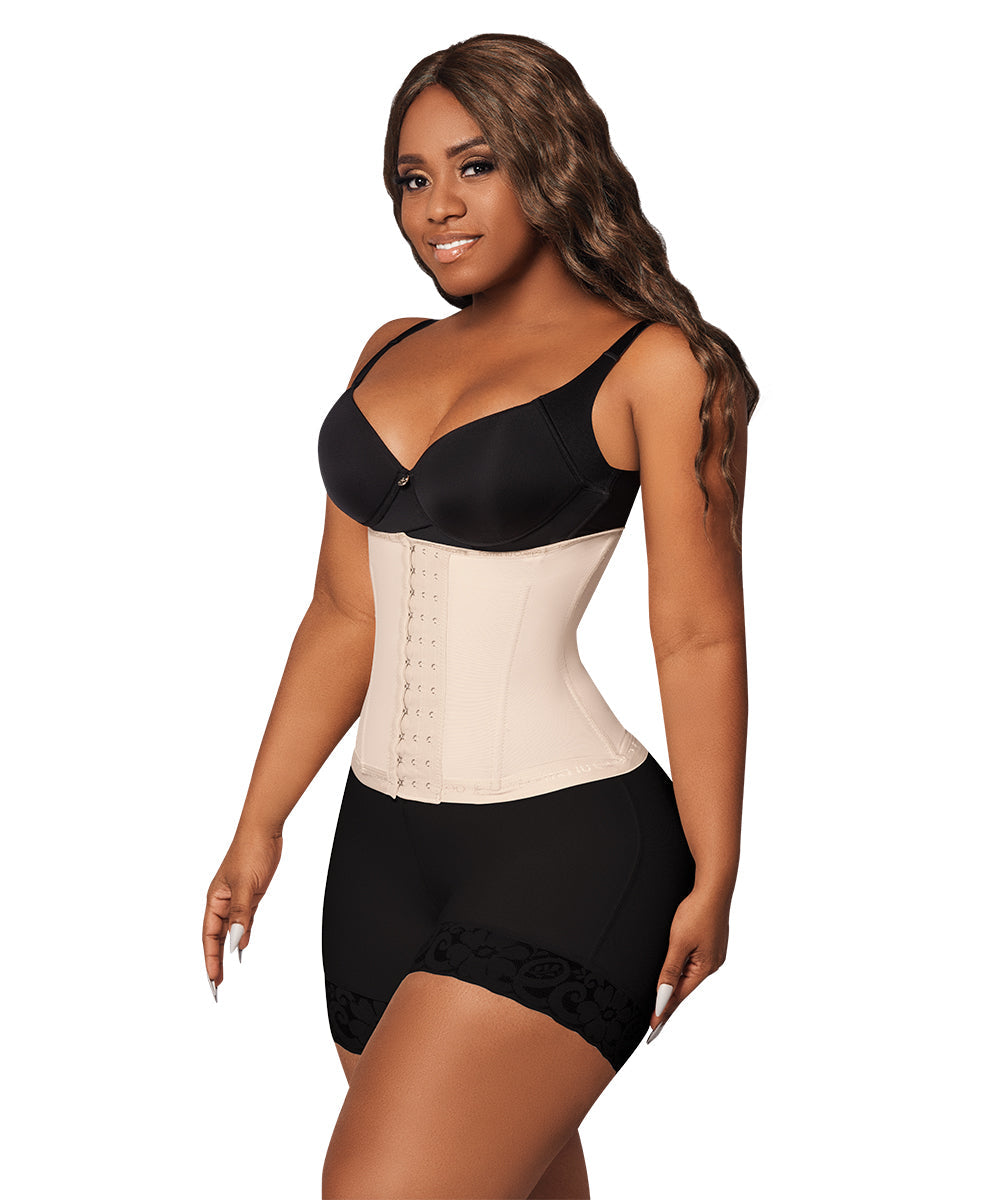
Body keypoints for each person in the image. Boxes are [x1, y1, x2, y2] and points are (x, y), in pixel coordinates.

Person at [203, 32, 756, 1199]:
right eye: (413, 177)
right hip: (376, 857)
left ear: (550, 162)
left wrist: (716, 867)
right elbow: (343, 612)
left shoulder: (657, 364)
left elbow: (695, 633)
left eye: (475, 166)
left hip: (570, 849)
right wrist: (260, 822)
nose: (437, 206)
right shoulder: (389, 351)